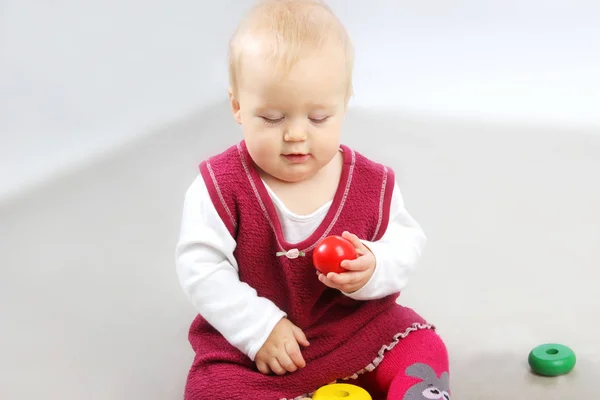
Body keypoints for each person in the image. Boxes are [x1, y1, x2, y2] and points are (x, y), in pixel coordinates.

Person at [175, 1, 450, 399]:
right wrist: (257, 327)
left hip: (355, 328)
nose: (296, 135)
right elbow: (201, 268)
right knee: (212, 388)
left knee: (422, 346)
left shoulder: (370, 183)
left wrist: (373, 266)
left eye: (319, 118)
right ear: (237, 105)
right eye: (272, 118)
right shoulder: (220, 187)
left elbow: (406, 244)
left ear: (345, 101)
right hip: (259, 351)